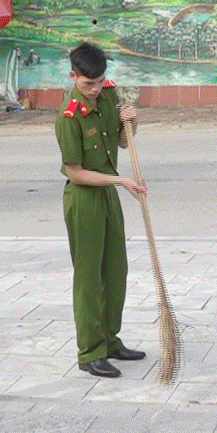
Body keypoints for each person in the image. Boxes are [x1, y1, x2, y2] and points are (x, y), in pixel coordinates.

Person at [56, 42, 147, 378]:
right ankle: (90, 350)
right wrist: (122, 180)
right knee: (89, 278)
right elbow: (76, 171)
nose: (94, 90)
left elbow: (124, 142)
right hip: (83, 199)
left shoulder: (110, 95)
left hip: (108, 191)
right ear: (73, 76)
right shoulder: (68, 116)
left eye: (98, 82)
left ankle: (110, 339)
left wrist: (133, 121)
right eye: (87, 84)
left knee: (115, 270)